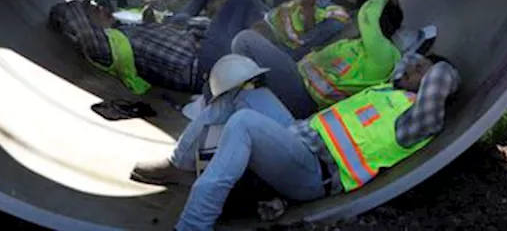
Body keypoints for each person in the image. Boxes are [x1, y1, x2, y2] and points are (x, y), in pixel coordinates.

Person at [173, 53, 461, 231]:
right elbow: (405, 60)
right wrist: (416, 66)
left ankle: (192, 225)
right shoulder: (388, 89)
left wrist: (440, 68)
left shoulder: (416, 120)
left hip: (314, 172)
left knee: (244, 122)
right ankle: (177, 162)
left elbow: (439, 80)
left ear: (435, 84)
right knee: (241, 92)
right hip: (296, 136)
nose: (412, 69)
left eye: (422, 70)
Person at [48, 0, 266, 96]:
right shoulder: (103, 43)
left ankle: (276, 35)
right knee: (241, 1)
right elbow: (62, 12)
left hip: (202, 49)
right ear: (88, 23)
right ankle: (282, 31)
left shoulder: (121, 30)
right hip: (201, 64)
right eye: (96, 10)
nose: (104, 9)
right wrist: (81, 7)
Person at [130, 54, 295, 186]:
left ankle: (177, 164)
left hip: (292, 163)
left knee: (227, 102)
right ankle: (191, 169)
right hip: (292, 158)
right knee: (230, 120)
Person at [231, 0, 403, 117]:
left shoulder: (385, 55)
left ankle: (251, 91)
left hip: (306, 98)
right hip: (295, 78)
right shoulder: (356, 45)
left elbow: (367, 14)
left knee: (245, 40)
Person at [250, 0, 373, 60]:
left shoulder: (339, 18)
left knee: (240, 5)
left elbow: (308, 40)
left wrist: (307, 8)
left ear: (356, 6)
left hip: (276, 38)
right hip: (268, 17)